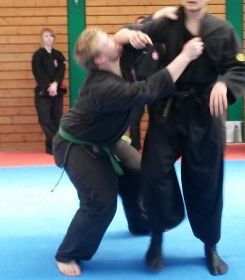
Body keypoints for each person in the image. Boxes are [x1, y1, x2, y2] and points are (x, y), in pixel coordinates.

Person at [115, 0, 245, 275]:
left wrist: (225, 84)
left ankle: (210, 245)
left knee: (207, 181)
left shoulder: (222, 30)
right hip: (167, 111)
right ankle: (157, 237)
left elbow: (239, 67)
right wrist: (134, 32)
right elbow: (124, 33)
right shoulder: (166, 24)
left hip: (204, 114)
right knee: (154, 173)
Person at [52, 26, 204, 277]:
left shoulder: (117, 60)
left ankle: (139, 224)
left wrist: (126, 32)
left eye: (111, 36)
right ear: (100, 59)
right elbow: (149, 90)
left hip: (107, 139)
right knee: (101, 202)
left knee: (142, 173)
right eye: (108, 41)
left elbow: (129, 36)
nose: (114, 41)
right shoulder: (102, 86)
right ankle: (67, 253)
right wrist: (186, 56)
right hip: (76, 144)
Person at [128, 16, 165, 150]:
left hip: (154, 86)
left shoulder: (157, 45)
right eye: (138, 25)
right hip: (137, 86)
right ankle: (135, 147)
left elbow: (163, 65)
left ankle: (155, 147)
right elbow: (126, 66)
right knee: (134, 118)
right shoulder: (131, 46)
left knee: (156, 118)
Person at [32, 28, 67, 155]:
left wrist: (55, 84)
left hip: (57, 91)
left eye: (50, 36)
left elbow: (61, 70)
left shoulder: (58, 55)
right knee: (45, 120)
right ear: (41, 38)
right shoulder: (37, 55)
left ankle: (52, 148)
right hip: (43, 92)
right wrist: (48, 86)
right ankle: (56, 144)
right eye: (45, 36)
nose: (48, 38)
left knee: (57, 119)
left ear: (54, 39)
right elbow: (38, 72)